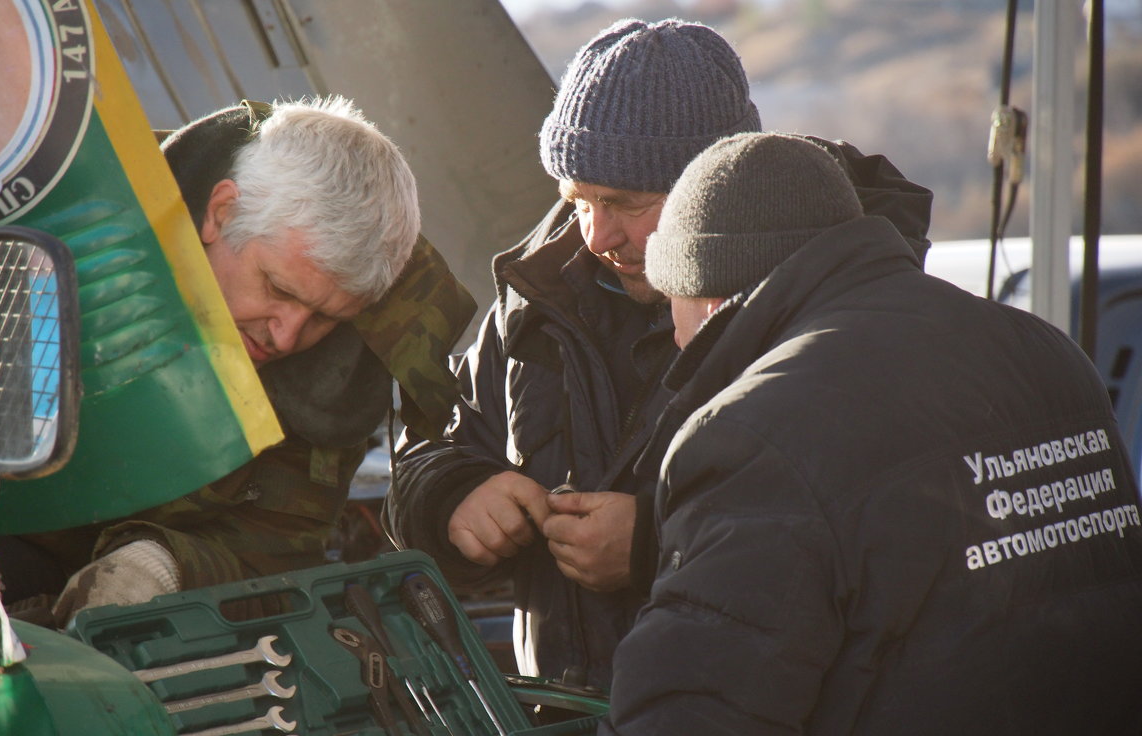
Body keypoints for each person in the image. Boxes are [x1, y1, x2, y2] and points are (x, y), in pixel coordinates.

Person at [559, 132, 1142, 736]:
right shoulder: (1043, 351)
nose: (675, 335)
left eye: (670, 303)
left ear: (707, 294)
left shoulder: (757, 434)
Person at [386, 18, 932, 690]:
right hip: (571, 735)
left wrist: (655, 547)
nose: (595, 237)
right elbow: (431, 450)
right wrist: (453, 496)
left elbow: (872, 538)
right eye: (578, 200)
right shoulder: (536, 301)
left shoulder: (833, 318)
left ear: (714, 188)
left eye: (625, 203)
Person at [0, 97, 475, 626]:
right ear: (220, 212)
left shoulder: (338, 376)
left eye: (324, 317)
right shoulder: (48, 228)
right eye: (276, 288)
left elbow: (275, 554)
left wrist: (163, 566)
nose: (288, 335)